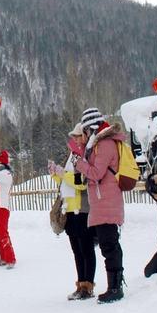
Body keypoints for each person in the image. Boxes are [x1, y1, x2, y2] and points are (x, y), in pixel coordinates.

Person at [70, 107, 126, 303]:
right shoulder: (98, 144)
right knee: (107, 245)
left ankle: (115, 287)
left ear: (91, 128)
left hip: (107, 202)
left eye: (85, 130)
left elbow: (96, 173)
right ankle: (115, 284)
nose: (83, 135)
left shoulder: (105, 144)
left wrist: (80, 164)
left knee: (109, 245)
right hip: (102, 202)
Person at [49, 122, 96, 300]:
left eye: (77, 136)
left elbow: (80, 181)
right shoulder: (72, 155)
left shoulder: (85, 155)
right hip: (70, 208)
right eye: (74, 136)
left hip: (82, 208)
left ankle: (87, 285)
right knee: (77, 250)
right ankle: (81, 283)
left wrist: (62, 174)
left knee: (86, 249)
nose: (75, 139)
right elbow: (66, 181)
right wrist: (56, 173)